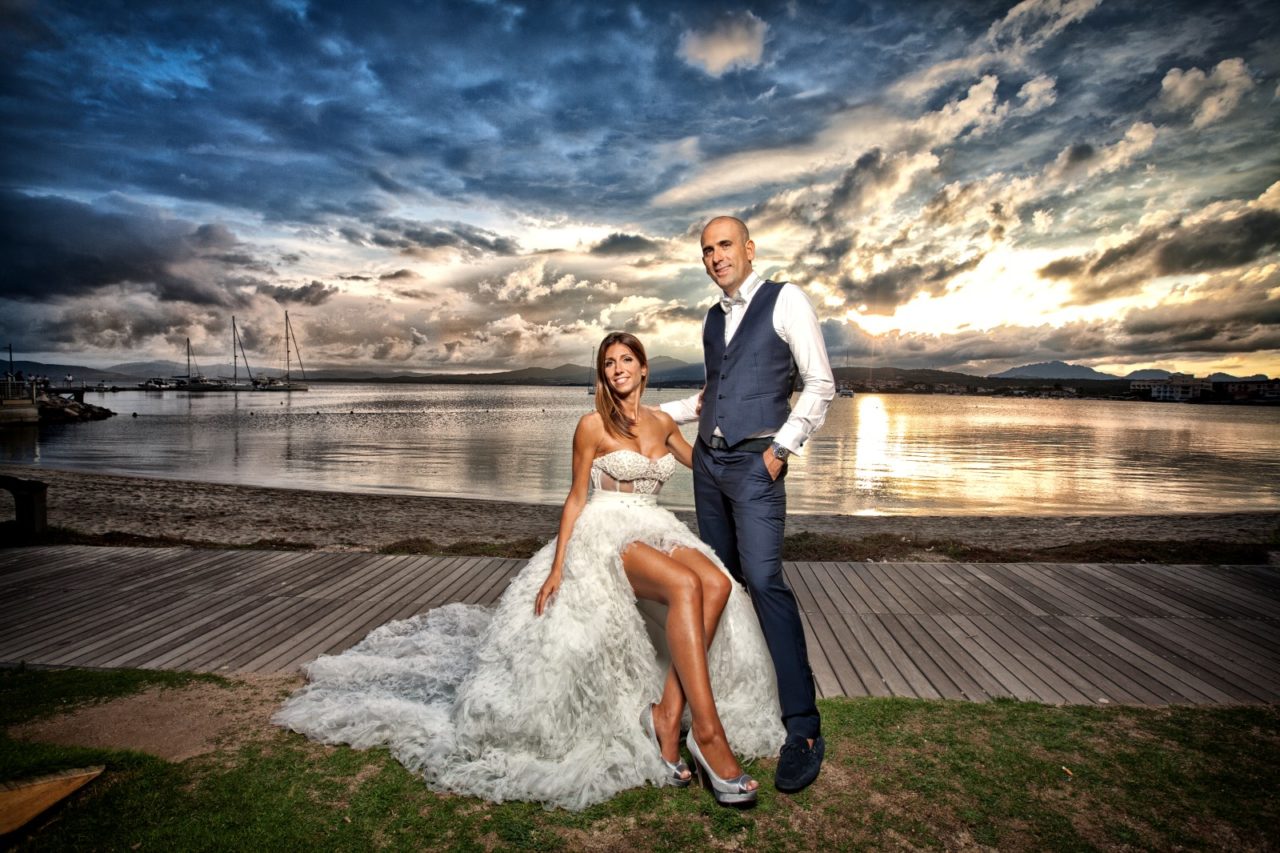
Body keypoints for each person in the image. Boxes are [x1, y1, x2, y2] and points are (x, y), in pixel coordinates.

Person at [275, 332, 783, 811]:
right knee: (684, 584)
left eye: (626, 359)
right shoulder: (591, 425)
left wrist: (761, 451)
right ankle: (708, 735)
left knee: (716, 583)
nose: (618, 368)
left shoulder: (663, 424)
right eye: (609, 363)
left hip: (655, 523)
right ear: (603, 376)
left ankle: (667, 717)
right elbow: (576, 497)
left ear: (644, 369)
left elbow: (709, 468)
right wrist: (558, 567)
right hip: (606, 528)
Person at [660, 215, 835, 794]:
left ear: (750, 249)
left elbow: (820, 384)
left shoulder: (787, 301)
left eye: (725, 245)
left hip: (758, 465)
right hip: (708, 468)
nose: (715, 257)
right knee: (722, 582)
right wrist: (658, 415)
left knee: (764, 581)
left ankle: (803, 728)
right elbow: (715, 395)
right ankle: (727, 702)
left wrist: (781, 451)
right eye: (707, 250)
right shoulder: (712, 319)